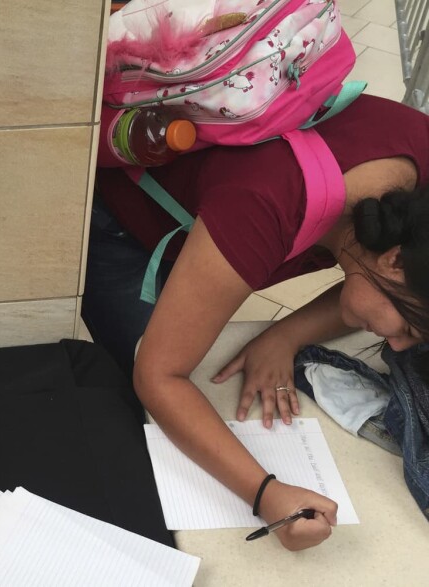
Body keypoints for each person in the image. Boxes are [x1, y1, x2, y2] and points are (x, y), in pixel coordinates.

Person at [81, 93, 429, 551]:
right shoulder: (263, 207)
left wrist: (287, 334)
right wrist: (266, 493)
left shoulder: (417, 177)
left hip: (220, 211)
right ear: (395, 260)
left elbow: (364, 289)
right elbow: (158, 374)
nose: (399, 347)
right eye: (408, 326)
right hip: (126, 219)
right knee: (136, 393)